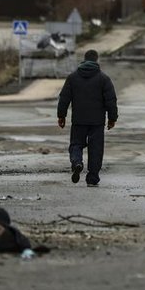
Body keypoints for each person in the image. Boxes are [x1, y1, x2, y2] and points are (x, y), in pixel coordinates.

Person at [57, 49, 118, 187]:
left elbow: (64, 99)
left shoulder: (72, 78)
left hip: (78, 120)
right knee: (96, 149)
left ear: (84, 60)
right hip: (97, 122)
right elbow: (111, 100)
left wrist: (61, 116)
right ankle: (92, 177)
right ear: (96, 60)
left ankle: (77, 162)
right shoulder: (103, 79)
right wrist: (112, 118)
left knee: (76, 144)